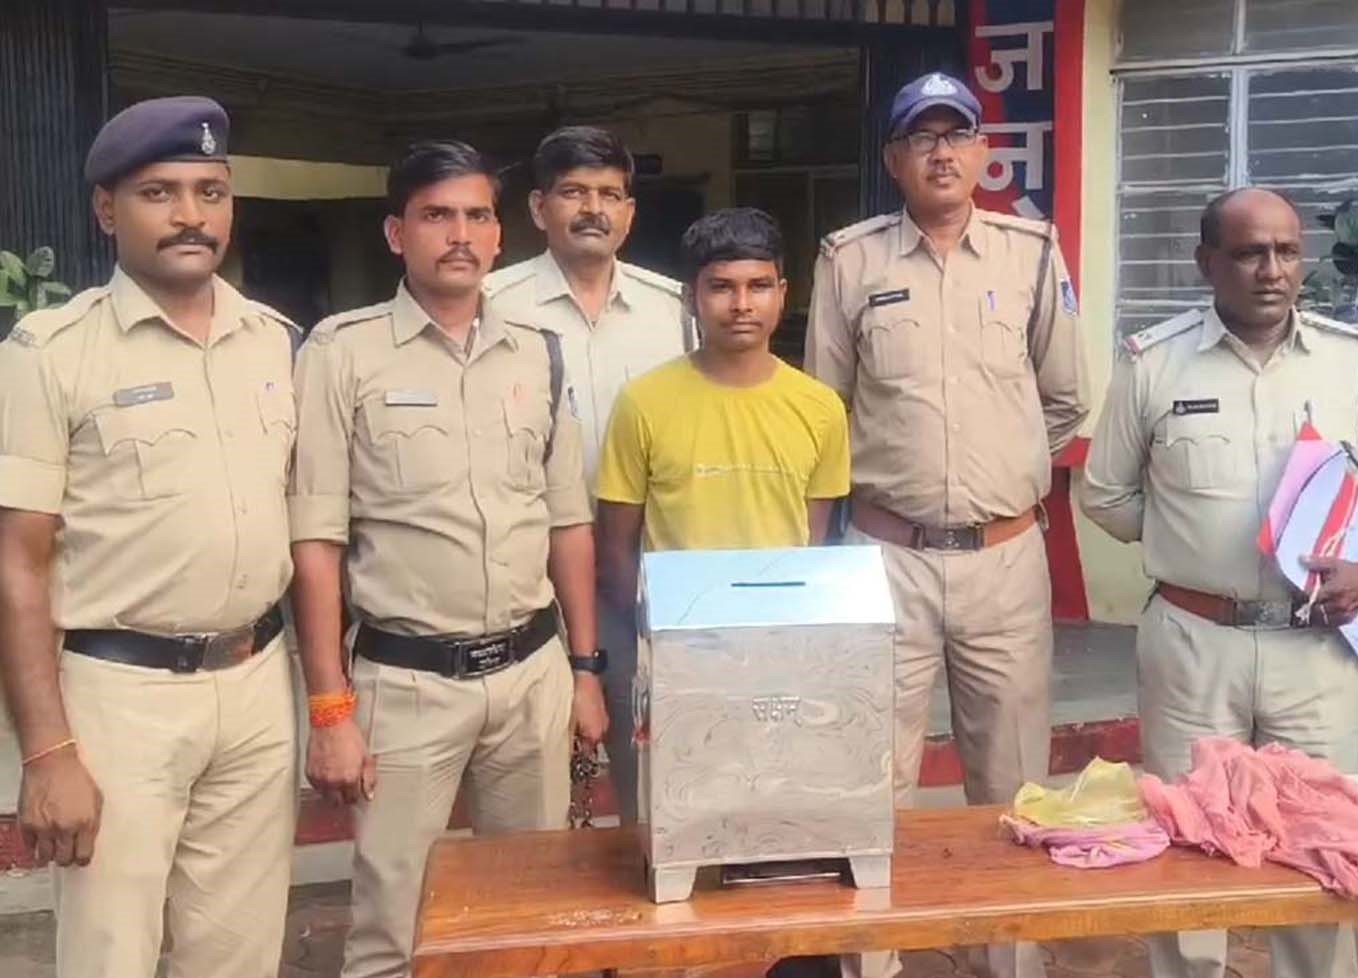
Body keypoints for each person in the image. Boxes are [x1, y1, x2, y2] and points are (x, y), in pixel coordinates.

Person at [288, 139, 607, 978]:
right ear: (397, 233)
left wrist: (584, 670)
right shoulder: (342, 353)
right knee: (393, 928)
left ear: (500, 235)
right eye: (436, 216)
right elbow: (315, 542)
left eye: (476, 216)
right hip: (406, 684)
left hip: (531, 673)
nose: (459, 235)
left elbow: (567, 524)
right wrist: (330, 710)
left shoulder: (539, 351)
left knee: (527, 916)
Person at [0, 96, 299, 978]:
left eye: (210, 192)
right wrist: (47, 752)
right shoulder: (51, 352)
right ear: (107, 210)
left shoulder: (276, 344)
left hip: (256, 685)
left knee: (239, 957)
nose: (189, 216)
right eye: (159, 193)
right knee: (111, 955)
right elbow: (18, 564)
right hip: (119, 701)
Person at [804, 71, 1088, 978]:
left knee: (1013, 781)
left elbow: (1064, 400)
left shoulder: (1031, 253)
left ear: (982, 153)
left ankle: (1008, 961)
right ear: (893, 158)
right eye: (921, 137)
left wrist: (997, 475)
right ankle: (872, 962)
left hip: (1005, 559)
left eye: (956, 135)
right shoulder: (849, 260)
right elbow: (825, 413)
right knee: (869, 773)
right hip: (884, 556)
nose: (941, 152)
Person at [1081, 187, 1358, 978]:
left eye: (1287, 251)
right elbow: (1105, 493)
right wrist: (1185, 541)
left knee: (1321, 841)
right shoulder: (1154, 362)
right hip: (1195, 642)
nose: (1272, 270)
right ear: (1208, 263)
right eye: (1249, 253)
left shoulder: (1348, 359)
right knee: (1190, 839)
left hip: (1317, 649)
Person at [484, 125, 694, 822]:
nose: (593, 209)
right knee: (537, 795)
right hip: (533, 583)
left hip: (644, 576)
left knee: (657, 781)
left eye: (609, 194)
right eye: (574, 192)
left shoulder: (674, 310)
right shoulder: (492, 304)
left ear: (630, 212)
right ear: (538, 207)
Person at [595, 207, 849, 609]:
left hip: (781, 621)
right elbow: (616, 551)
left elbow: (811, 544)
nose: (741, 304)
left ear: (782, 294)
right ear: (689, 298)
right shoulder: (642, 402)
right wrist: (648, 627)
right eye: (721, 287)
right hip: (675, 627)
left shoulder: (821, 408)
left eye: (759, 286)